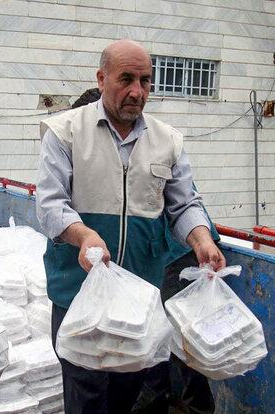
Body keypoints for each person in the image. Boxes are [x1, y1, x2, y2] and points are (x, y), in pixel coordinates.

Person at [36, 39, 225, 414]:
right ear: (101, 78)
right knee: (86, 396)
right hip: (78, 293)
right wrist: (85, 235)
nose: (137, 91)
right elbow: (50, 205)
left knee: (131, 396)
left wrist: (201, 239)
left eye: (145, 80)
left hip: (138, 299)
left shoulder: (167, 140)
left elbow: (184, 203)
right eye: (126, 79)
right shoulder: (65, 132)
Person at [69, 88, 218, 414]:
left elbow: (180, 206)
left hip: (177, 255)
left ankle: (180, 406)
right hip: (166, 254)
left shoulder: (148, 148)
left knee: (163, 340)